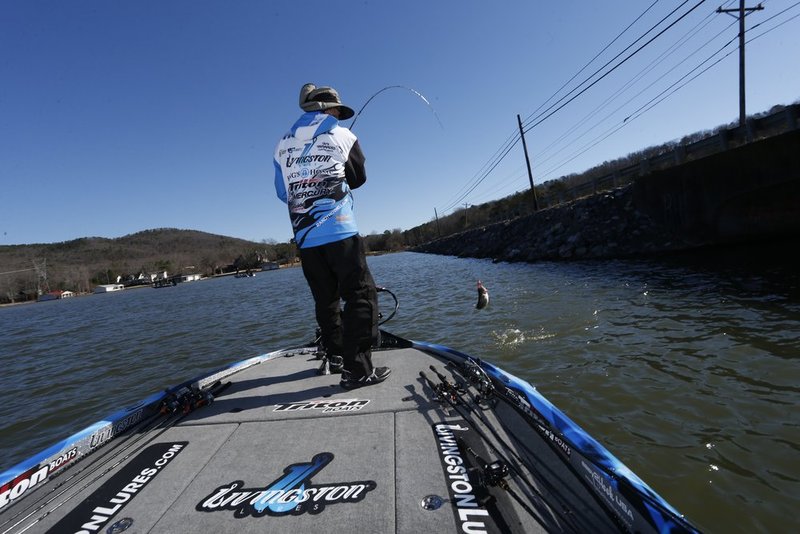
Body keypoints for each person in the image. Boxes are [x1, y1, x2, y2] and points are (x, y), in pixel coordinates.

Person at [273, 83, 391, 390]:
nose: (339, 115)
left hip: (305, 237)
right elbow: (359, 178)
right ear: (327, 109)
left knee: (325, 300)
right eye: (337, 111)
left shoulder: (281, 144)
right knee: (361, 295)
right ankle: (358, 369)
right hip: (340, 231)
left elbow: (281, 192)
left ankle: (337, 356)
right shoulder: (343, 135)